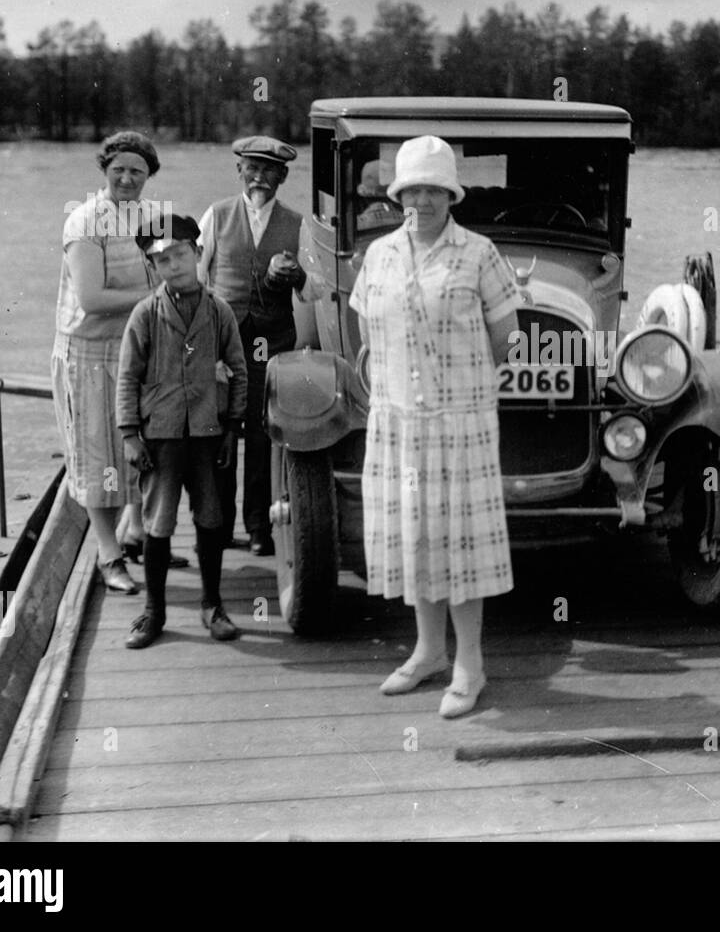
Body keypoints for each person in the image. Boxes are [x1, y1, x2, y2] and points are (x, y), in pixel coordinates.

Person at [349, 135, 522, 719]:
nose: (421, 200)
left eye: (432, 189)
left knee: (460, 545)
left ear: (451, 194)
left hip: (460, 425)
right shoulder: (379, 255)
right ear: (398, 194)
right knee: (415, 537)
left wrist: (460, 381)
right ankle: (427, 651)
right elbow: (366, 336)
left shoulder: (479, 252)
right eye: (412, 189)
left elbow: (508, 338)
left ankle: (469, 664)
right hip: (399, 422)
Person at [116, 215, 248, 649]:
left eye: (179, 255)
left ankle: (213, 604)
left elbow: (240, 371)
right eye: (161, 260)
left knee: (212, 518)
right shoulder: (145, 314)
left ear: (197, 254)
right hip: (161, 436)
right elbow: (127, 378)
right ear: (153, 266)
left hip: (209, 435)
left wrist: (232, 428)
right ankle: (154, 612)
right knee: (158, 523)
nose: (171, 265)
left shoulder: (219, 311)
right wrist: (131, 434)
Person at [197, 136, 320, 557]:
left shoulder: (298, 223)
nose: (259, 177)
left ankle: (258, 527)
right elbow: (196, 281)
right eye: (252, 168)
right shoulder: (216, 215)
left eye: (269, 170)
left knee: (263, 432)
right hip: (223, 341)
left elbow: (315, 289)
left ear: (283, 177)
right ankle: (217, 524)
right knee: (221, 430)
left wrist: (297, 278)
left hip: (271, 342)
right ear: (239, 172)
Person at [52, 131, 163, 594]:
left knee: (140, 446)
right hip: (88, 352)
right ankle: (108, 555)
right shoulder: (84, 221)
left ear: (148, 176)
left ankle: (136, 531)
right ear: (104, 170)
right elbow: (93, 299)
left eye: (137, 170)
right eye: (118, 168)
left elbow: (169, 267)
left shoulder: (150, 218)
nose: (127, 178)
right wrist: (159, 295)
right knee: (100, 454)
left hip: (134, 347)